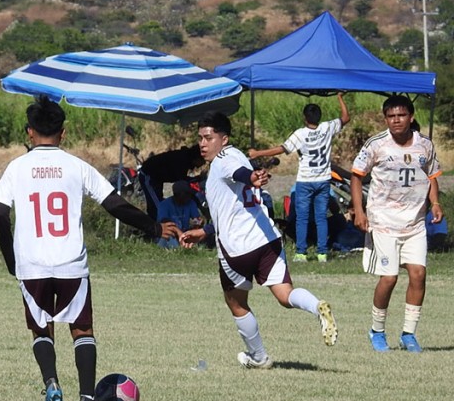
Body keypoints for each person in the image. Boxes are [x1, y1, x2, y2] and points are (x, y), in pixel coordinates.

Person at [0, 97, 180, 401]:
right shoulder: (76, 166)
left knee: (41, 329)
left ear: (29, 132)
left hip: (32, 264)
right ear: (63, 133)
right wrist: (153, 227)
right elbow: (114, 204)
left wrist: (12, 259)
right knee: (82, 329)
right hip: (71, 263)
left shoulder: (17, 167)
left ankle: (51, 383)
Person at [180, 112, 337, 369]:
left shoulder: (224, 159)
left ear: (224, 139)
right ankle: (316, 305)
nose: (202, 144)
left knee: (236, 302)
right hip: (267, 239)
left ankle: (259, 357)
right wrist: (205, 231)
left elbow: (242, 174)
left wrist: (252, 177)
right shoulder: (238, 154)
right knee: (285, 295)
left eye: (208, 138)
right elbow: (234, 203)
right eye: (200, 138)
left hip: (238, 248)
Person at [350, 95, 443, 353]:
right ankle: (377, 330)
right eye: (391, 116)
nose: (396, 120)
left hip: (414, 223)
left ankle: (408, 334)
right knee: (389, 278)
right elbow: (356, 176)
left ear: (411, 117)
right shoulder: (376, 144)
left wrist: (435, 203)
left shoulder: (425, 145)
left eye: (401, 115)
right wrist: (359, 211)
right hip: (383, 222)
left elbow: (432, 176)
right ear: (385, 119)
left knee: (418, 274)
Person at [250, 93, 349, 263]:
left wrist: (258, 153)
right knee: (321, 217)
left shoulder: (300, 134)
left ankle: (301, 252)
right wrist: (340, 98)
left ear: (304, 118)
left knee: (302, 218)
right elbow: (345, 118)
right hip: (323, 180)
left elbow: (282, 149)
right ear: (320, 116)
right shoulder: (327, 127)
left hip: (305, 181)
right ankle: (322, 253)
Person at [137, 144, 205, 220]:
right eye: (203, 160)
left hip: (157, 179)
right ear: (197, 158)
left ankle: (153, 222)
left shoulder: (185, 158)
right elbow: (181, 181)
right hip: (148, 176)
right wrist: (197, 179)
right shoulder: (182, 160)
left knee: (156, 205)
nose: (204, 163)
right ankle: (154, 224)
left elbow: (182, 181)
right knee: (158, 207)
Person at [156, 180, 203, 249]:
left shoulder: (191, 203)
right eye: (186, 194)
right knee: (171, 237)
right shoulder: (164, 205)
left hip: (184, 233)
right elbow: (165, 222)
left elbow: (196, 218)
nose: (189, 196)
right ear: (177, 195)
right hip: (168, 234)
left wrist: (198, 222)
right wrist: (178, 232)